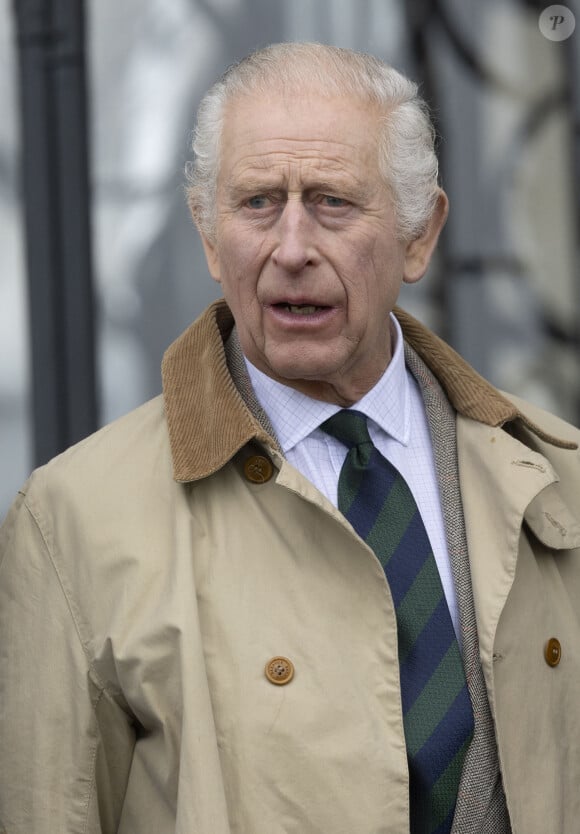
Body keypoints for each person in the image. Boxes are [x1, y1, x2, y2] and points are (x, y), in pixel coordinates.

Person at [1, 42, 579, 834]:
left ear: (420, 235)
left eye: (334, 202)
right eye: (257, 203)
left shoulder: (557, 480)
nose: (293, 247)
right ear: (209, 236)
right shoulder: (72, 520)